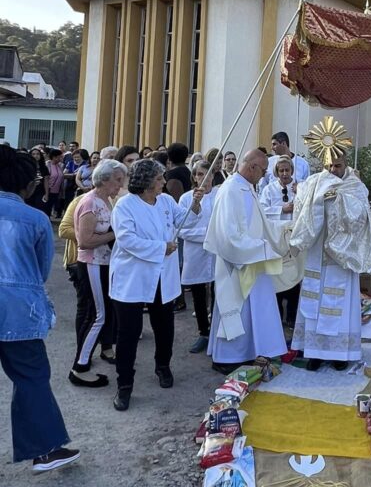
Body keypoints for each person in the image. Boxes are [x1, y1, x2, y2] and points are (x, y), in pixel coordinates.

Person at [0, 146, 80, 471]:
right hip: (20, 312)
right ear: (28, 184)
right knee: (31, 377)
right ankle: (45, 449)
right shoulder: (35, 220)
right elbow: (41, 270)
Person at [109, 159, 203, 411]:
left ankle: (163, 366)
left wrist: (195, 205)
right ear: (148, 181)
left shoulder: (165, 201)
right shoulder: (125, 206)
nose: (164, 181)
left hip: (163, 276)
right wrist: (161, 248)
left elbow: (183, 222)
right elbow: (127, 240)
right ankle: (124, 385)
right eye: (160, 178)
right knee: (128, 333)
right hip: (133, 277)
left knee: (164, 327)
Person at [204, 149, 293, 372]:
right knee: (234, 311)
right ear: (252, 167)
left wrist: (285, 231)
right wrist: (261, 249)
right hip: (237, 264)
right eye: (263, 170)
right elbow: (228, 236)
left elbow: (260, 222)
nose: (264, 175)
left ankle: (246, 353)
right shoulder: (231, 191)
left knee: (249, 312)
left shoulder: (247, 188)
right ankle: (225, 359)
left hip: (252, 261)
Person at [290, 148, 371, 371]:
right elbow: (301, 209)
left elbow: (360, 218)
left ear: (345, 163)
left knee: (339, 303)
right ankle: (314, 352)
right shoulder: (313, 182)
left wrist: (338, 200)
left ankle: (340, 353)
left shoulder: (355, 185)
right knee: (314, 302)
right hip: (318, 250)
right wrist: (307, 196)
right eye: (328, 166)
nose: (332, 171)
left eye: (337, 166)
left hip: (341, 255)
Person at [70, 159, 128, 387]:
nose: (120, 184)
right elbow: (84, 241)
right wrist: (115, 234)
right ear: (103, 179)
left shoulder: (105, 201)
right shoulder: (90, 203)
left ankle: (84, 360)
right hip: (93, 264)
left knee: (99, 314)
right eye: (117, 179)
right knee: (97, 315)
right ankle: (80, 366)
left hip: (103, 263)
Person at [178, 160, 219, 354]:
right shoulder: (187, 198)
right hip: (195, 252)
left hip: (218, 251)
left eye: (209, 174)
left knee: (219, 290)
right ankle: (203, 331)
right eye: (201, 174)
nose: (205, 178)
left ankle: (219, 330)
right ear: (195, 177)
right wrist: (208, 235)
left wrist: (215, 236)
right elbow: (182, 229)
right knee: (199, 293)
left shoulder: (221, 195)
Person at [259, 155, 302, 333]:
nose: (284, 174)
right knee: (276, 277)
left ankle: (292, 315)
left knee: (293, 276)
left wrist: (300, 194)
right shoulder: (269, 190)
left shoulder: (299, 186)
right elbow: (262, 210)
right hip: (275, 238)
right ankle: (277, 314)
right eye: (281, 170)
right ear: (276, 172)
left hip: (293, 235)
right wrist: (281, 209)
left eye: (287, 170)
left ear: (292, 170)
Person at [45, 147, 65, 218]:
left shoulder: (60, 166)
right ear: (54, 157)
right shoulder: (47, 165)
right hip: (49, 190)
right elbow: (46, 179)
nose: (61, 158)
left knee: (55, 207)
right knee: (47, 208)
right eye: (60, 157)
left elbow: (61, 178)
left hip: (57, 191)